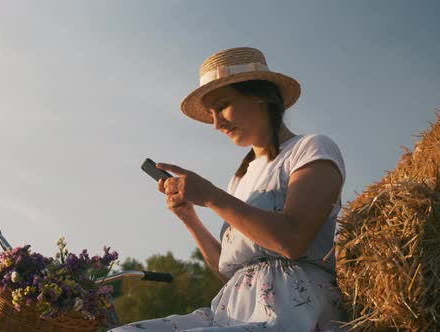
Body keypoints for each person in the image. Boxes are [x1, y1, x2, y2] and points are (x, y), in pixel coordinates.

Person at [109, 47, 349, 331]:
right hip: (232, 308)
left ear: (261, 96)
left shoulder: (310, 148)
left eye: (222, 106)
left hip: (293, 306)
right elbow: (232, 272)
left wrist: (211, 196)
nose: (216, 123)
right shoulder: (241, 178)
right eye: (211, 113)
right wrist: (190, 218)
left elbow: (292, 239)